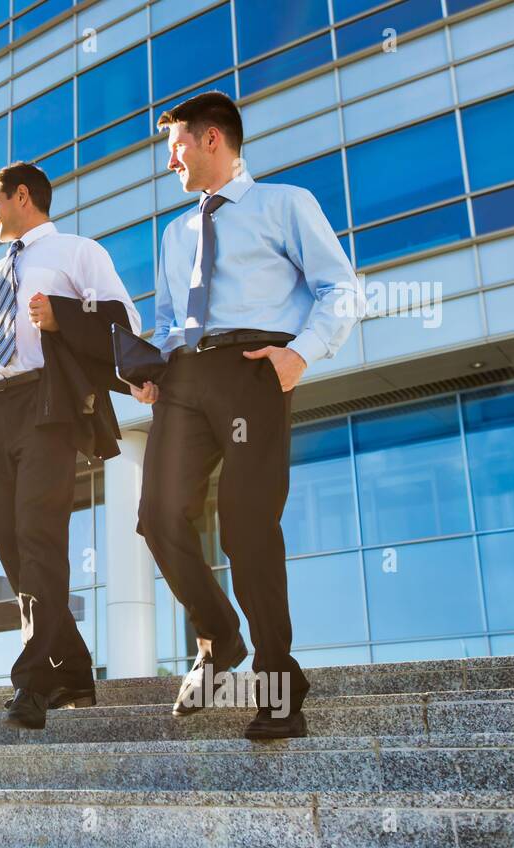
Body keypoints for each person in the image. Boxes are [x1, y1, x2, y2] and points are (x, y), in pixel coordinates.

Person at [135, 91, 364, 739]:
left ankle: (278, 680)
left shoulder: (284, 204)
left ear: (212, 139)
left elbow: (339, 287)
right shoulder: (175, 234)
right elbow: (165, 320)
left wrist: (300, 357)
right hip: (185, 378)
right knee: (156, 517)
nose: (169, 160)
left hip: (254, 369)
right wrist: (150, 367)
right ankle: (220, 635)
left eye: (175, 144)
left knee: (245, 523)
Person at [0, 162, 142, 730]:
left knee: (38, 533)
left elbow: (126, 320)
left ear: (21, 196)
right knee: (9, 542)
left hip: (48, 405)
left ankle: (33, 683)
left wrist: (62, 317)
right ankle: (74, 668)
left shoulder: (78, 253)